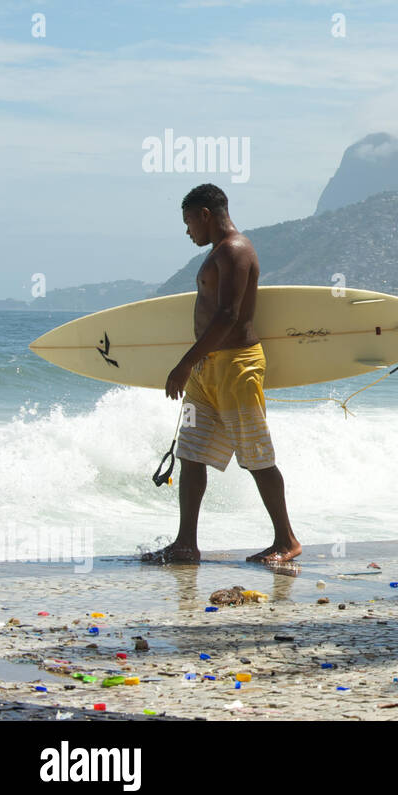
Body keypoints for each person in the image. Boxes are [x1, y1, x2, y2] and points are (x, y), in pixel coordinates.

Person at [141, 183, 301, 565]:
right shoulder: (217, 253)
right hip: (206, 369)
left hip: (236, 367)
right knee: (190, 454)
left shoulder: (235, 251)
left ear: (204, 215)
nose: (187, 231)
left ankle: (287, 540)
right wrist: (193, 364)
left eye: (188, 222)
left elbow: (228, 315)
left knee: (255, 456)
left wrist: (182, 364)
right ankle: (185, 544)